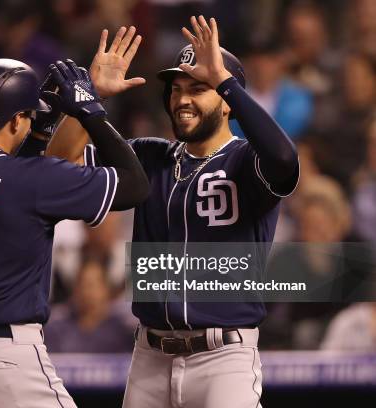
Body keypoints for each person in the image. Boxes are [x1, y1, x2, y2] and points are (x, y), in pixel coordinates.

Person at [47, 16, 300, 408]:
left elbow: (285, 159)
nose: (182, 99)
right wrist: (90, 98)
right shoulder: (150, 156)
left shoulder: (247, 161)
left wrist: (226, 81)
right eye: (177, 89)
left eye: (199, 88)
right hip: (149, 355)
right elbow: (60, 160)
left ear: (227, 101)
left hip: (224, 356)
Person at [0, 58, 149, 408]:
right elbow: (134, 185)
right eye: (28, 115)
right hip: (1, 358)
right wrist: (90, 111)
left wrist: (42, 127)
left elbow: (6, 180)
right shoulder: (30, 180)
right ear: (17, 119)